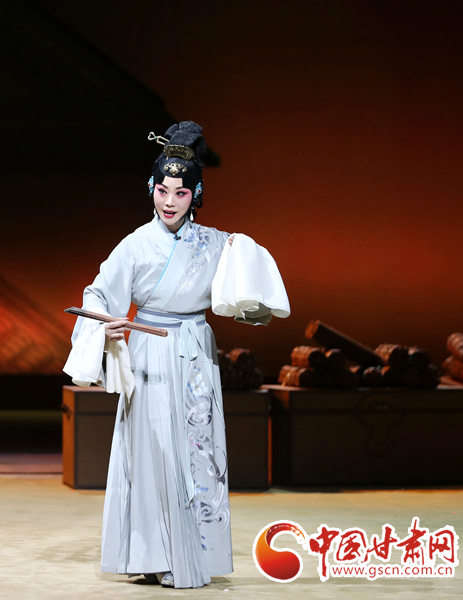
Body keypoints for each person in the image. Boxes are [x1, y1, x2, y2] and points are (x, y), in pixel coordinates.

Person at [64, 121, 289, 588]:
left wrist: (244, 274)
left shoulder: (216, 243)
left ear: (196, 195)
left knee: (196, 452)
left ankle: (192, 557)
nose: (169, 201)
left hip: (193, 353)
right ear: (151, 188)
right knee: (153, 453)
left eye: (181, 193)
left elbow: (253, 303)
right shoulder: (135, 244)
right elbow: (98, 294)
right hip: (148, 353)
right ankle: (153, 554)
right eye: (162, 190)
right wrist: (104, 324)